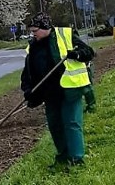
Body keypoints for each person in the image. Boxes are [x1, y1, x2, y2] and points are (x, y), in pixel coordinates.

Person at [20, 13, 96, 167]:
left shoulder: (66, 35)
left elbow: (89, 52)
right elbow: (28, 70)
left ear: (45, 27)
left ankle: (76, 159)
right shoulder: (33, 45)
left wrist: (77, 54)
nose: (33, 34)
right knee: (55, 125)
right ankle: (63, 156)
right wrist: (28, 89)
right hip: (49, 93)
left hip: (70, 88)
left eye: (35, 31)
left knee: (72, 123)